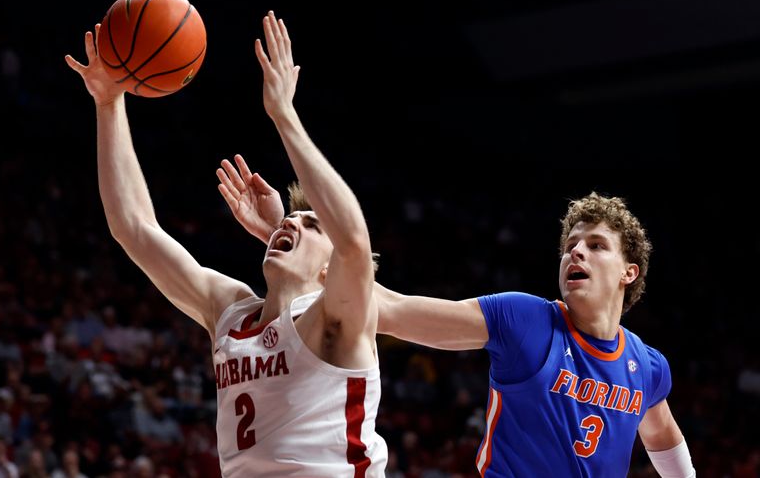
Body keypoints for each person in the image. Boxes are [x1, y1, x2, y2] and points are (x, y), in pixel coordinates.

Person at [218, 159, 695, 477]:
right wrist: (298, 253)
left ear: (629, 272)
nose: (576, 253)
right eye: (570, 245)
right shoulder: (527, 319)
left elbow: (663, 436)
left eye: (595, 246)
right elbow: (394, 309)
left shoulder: (646, 366)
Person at [65, 10, 387, 476]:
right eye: (290, 220)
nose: (291, 226)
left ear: (328, 270)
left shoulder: (337, 319)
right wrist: (109, 103)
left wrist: (284, 116)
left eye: (313, 226)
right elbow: (133, 227)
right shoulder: (231, 309)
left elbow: (354, 242)